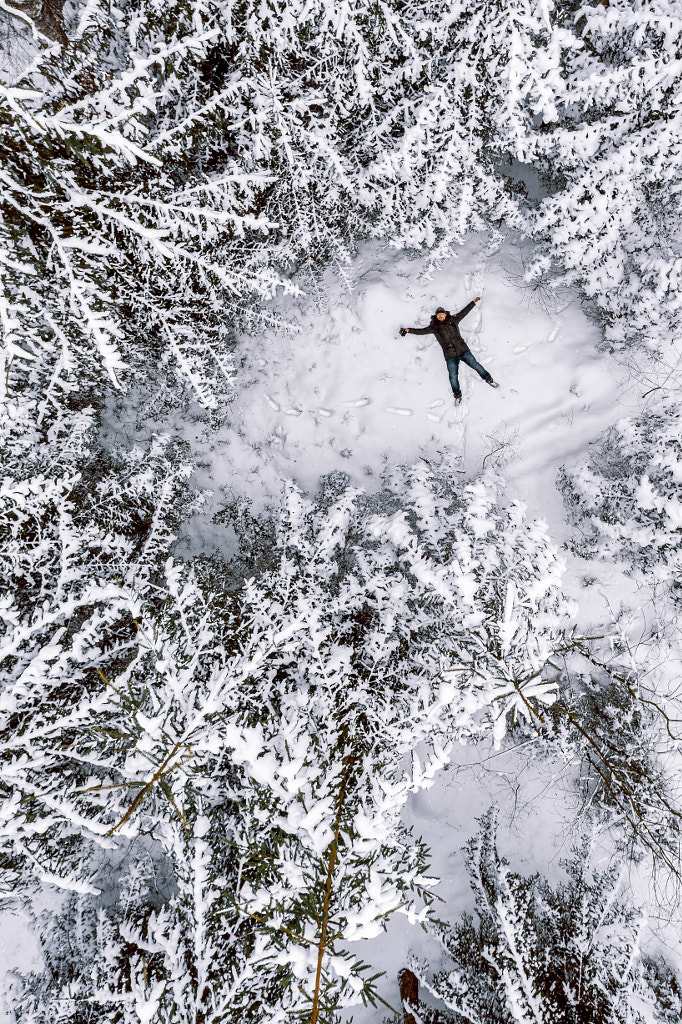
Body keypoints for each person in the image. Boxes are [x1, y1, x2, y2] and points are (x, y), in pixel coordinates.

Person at [400, 299, 499, 404]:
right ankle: (457, 396)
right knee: (453, 376)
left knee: (476, 365)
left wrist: (473, 302)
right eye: (439, 315)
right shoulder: (434, 327)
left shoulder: (453, 320)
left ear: (445, 315)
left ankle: (489, 380)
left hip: (463, 350)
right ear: (436, 317)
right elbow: (421, 331)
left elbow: (464, 312)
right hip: (450, 355)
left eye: (442, 314)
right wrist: (408, 330)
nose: (441, 316)